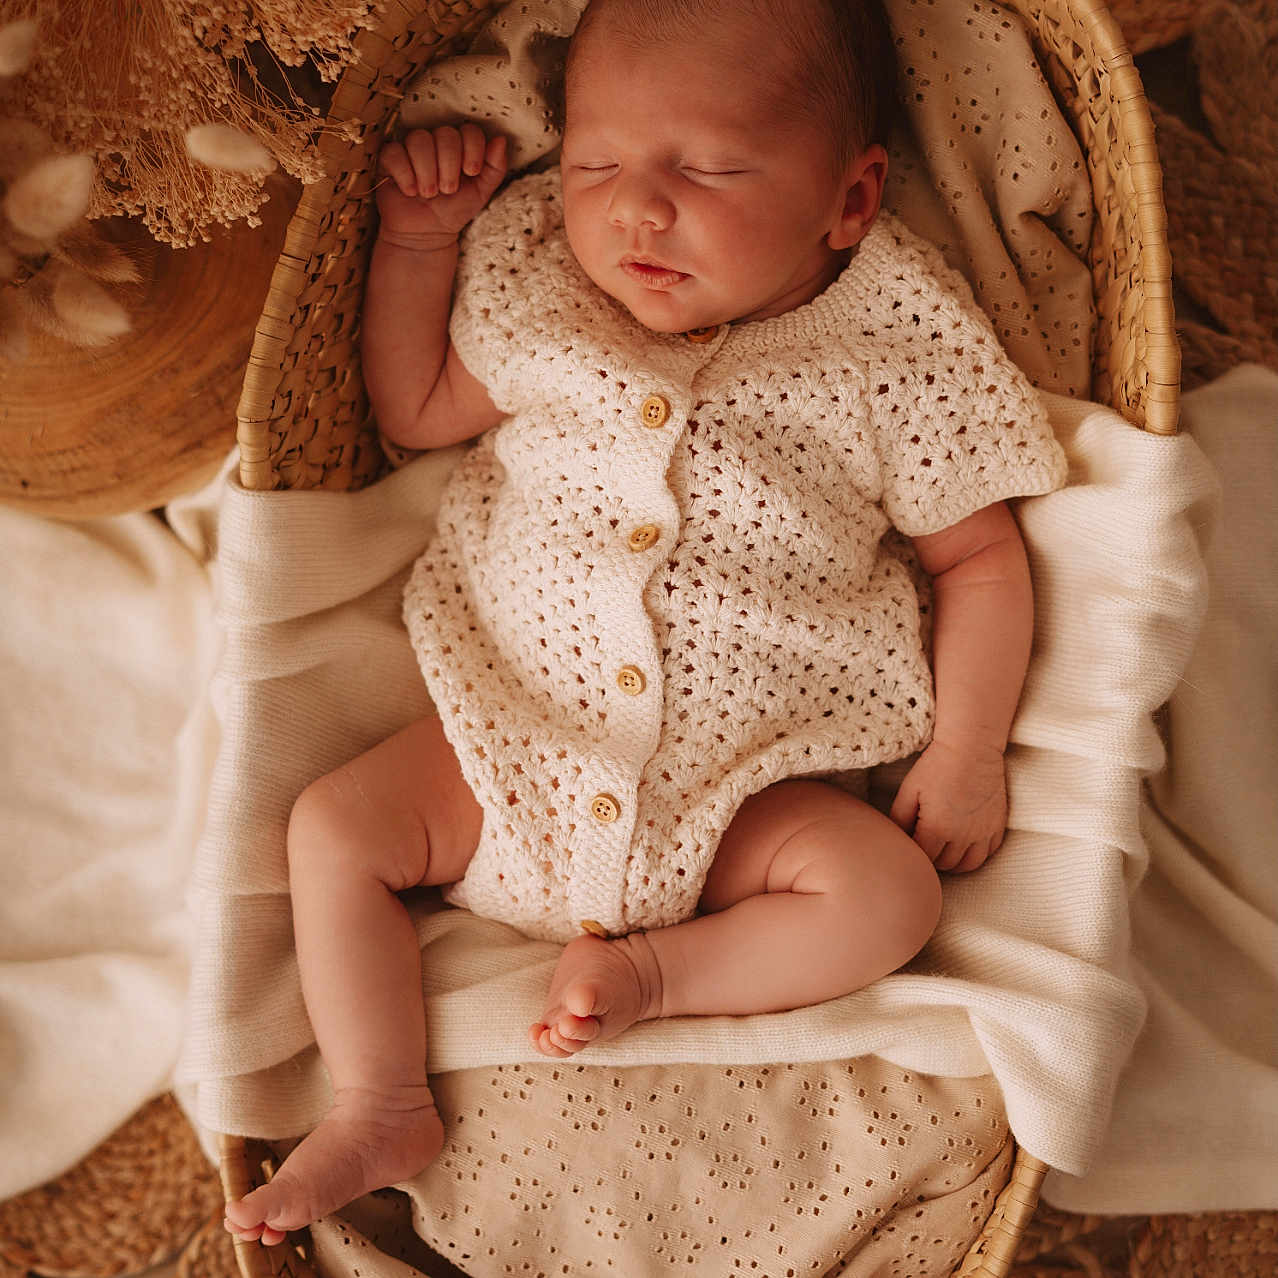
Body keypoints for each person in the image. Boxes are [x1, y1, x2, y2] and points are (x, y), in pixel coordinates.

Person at [224, 0, 1066, 1243]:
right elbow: (413, 406)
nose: (638, 209)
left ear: (849, 198)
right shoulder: (539, 283)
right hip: (513, 735)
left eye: (711, 168)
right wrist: (419, 241)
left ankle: (661, 976)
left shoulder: (895, 345)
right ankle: (380, 1100)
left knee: (888, 896)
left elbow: (984, 557)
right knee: (333, 829)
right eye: (594, 165)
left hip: (747, 786)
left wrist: (967, 751)